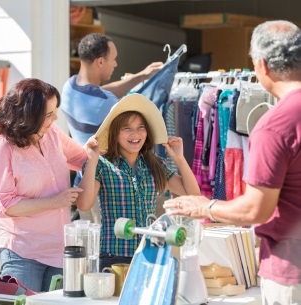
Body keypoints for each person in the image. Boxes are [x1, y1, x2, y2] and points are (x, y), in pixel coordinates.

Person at [163, 20, 301, 304]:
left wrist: (205, 206)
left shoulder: (275, 125)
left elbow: (255, 209)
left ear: (261, 65)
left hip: (291, 270)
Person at [0, 78, 94, 292]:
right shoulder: (3, 148)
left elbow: (83, 158)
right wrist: (55, 202)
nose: (55, 118)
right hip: (22, 253)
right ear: (28, 116)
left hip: (59, 251)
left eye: (55, 111)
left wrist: (99, 149)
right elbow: (4, 206)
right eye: (48, 114)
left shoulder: (52, 134)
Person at [76, 93, 201, 270]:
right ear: (115, 133)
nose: (135, 134)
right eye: (127, 128)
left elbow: (194, 195)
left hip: (149, 253)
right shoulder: (102, 165)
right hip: (113, 257)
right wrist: (92, 159)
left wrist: (180, 159)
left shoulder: (155, 164)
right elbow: (83, 204)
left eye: (141, 127)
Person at [61, 32, 163, 222]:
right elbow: (115, 103)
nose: (115, 64)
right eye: (113, 59)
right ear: (100, 62)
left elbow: (101, 91)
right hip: (107, 187)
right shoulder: (107, 104)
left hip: (84, 181)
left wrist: (141, 76)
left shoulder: (70, 87)